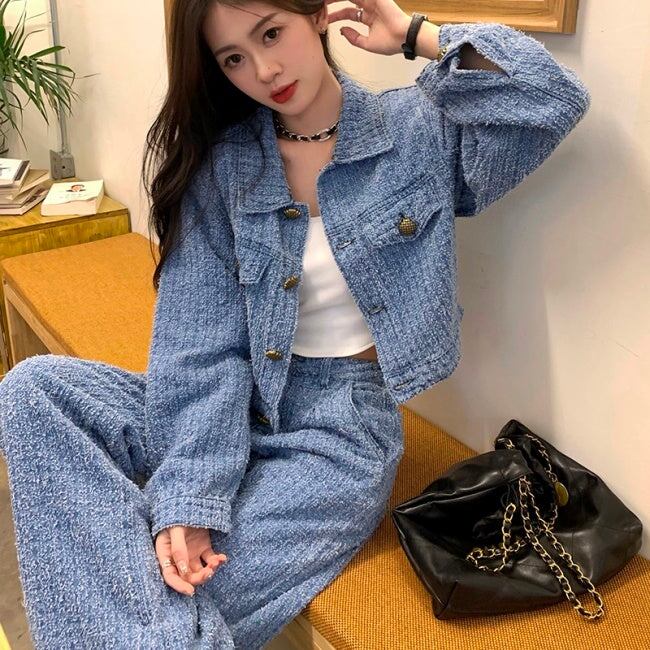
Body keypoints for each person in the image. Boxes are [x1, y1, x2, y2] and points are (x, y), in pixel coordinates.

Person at [0, 0, 590, 648]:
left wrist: (414, 33)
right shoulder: (225, 169)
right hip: (238, 399)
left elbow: (549, 98)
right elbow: (199, 347)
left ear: (315, 16)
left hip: (339, 432)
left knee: (166, 602)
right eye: (234, 58)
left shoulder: (415, 131)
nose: (264, 70)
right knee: (34, 390)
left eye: (271, 33)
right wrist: (189, 498)